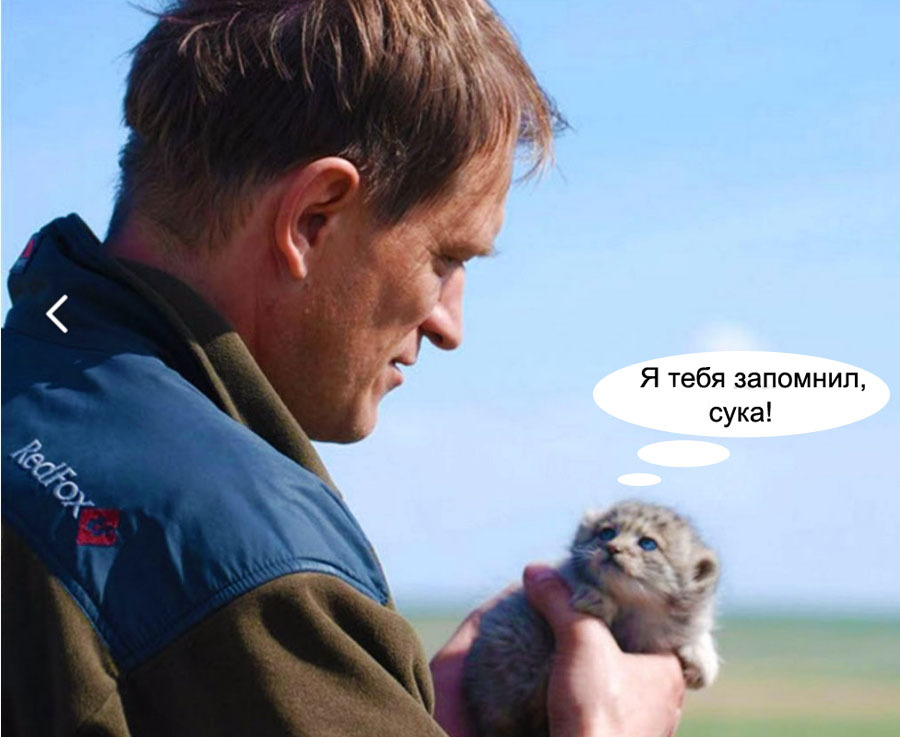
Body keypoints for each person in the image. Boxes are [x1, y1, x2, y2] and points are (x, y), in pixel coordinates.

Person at [2, 1, 684, 735]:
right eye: (446, 257)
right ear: (312, 219)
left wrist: (380, 702)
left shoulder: (28, 382)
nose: (450, 324)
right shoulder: (252, 564)